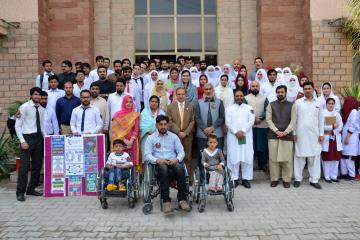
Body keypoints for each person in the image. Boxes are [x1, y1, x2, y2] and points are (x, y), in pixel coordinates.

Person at [144, 115, 191, 214]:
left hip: (173, 162)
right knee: (163, 169)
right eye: (160, 124)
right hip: (159, 165)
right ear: (156, 125)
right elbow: (147, 154)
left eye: (165, 124)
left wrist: (176, 159)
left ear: (168, 125)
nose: (163, 127)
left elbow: (181, 152)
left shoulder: (174, 137)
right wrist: (157, 160)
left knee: (180, 168)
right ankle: (166, 201)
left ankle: (182, 200)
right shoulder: (151, 138)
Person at [15, 87, 45, 201]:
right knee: (23, 167)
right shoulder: (24, 107)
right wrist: (22, 141)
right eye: (35, 94)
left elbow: (41, 126)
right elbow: (17, 126)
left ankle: (31, 189)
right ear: (31, 95)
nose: (37, 97)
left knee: (37, 166)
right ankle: (20, 192)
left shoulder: (42, 109)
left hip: (38, 139)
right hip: (27, 138)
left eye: (39, 95)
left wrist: (46, 138)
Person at [293, 81, 324, 189]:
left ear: (313, 89)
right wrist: (294, 133)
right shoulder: (298, 103)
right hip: (300, 135)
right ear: (303, 90)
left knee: (314, 158)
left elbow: (321, 120)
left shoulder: (318, 103)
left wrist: (321, 134)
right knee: (299, 157)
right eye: (305, 88)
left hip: (314, 135)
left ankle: (314, 180)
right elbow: (294, 119)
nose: (307, 90)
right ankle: (297, 179)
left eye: (309, 88)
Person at [266, 85, 296, 188]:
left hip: (287, 136)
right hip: (273, 135)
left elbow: (293, 121)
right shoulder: (271, 105)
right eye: (278, 92)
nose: (280, 94)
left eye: (282, 92)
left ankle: (286, 179)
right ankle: (274, 179)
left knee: (287, 159)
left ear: (285, 93)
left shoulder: (292, 105)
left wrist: (286, 132)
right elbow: (268, 120)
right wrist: (276, 131)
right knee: (273, 159)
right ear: (276, 93)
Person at [226, 89, 255, 188]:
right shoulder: (229, 109)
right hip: (233, 136)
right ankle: (234, 179)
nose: (239, 98)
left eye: (241, 96)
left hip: (245, 136)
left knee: (246, 156)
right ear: (234, 97)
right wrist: (235, 132)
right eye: (237, 96)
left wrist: (242, 131)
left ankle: (246, 178)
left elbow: (251, 121)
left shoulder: (249, 108)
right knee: (234, 156)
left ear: (243, 97)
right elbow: (228, 122)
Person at [195, 83, 225, 179]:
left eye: (210, 89)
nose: (208, 91)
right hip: (202, 135)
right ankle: (203, 179)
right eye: (206, 89)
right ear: (204, 90)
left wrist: (212, 127)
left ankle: (218, 179)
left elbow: (222, 117)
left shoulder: (219, 102)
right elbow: (197, 117)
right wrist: (204, 128)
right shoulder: (198, 102)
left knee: (217, 157)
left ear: (213, 90)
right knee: (202, 158)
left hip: (217, 134)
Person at [167, 87, 195, 178]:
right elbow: (170, 121)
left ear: (185, 95)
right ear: (176, 95)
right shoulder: (170, 107)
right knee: (175, 158)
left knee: (187, 157)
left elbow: (192, 121)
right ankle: (175, 178)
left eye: (182, 94)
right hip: (175, 136)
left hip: (187, 136)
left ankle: (187, 178)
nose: (181, 96)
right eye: (179, 94)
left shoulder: (191, 106)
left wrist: (185, 132)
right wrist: (178, 132)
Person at [245, 80, 269, 172]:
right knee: (251, 146)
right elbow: (244, 110)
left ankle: (262, 164)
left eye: (257, 86)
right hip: (250, 127)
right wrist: (253, 119)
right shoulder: (246, 98)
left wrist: (261, 117)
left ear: (259, 87)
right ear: (250, 87)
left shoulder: (264, 98)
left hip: (262, 126)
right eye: (253, 86)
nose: (255, 88)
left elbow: (267, 109)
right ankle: (250, 165)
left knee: (262, 146)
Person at [111, 95, 140, 167]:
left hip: (132, 142)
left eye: (130, 102)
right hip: (119, 141)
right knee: (119, 161)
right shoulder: (117, 114)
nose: (129, 103)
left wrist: (131, 141)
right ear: (123, 103)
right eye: (127, 102)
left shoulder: (135, 115)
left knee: (130, 162)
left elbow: (136, 129)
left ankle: (131, 176)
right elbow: (115, 129)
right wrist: (124, 140)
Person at [321, 98, 343, 182]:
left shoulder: (337, 114)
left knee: (335, 158)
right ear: (326, 104)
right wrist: (331, 127)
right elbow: (321, 126)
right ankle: (327, 176)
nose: (330, 105)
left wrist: (334, 130)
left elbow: (341, 126)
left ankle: (334, 176)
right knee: (327, 158)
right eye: (329, 103)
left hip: (335, 139)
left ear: (334, 104)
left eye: (332, 103)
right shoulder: (323, 113)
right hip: (326, 138)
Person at [140, 95, 166, 160]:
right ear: (149, 103)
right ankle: (146, 169)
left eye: (156, 102)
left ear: (158, 103)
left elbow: (164, 126)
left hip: (159, 137)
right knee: (146, 156)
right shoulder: (144, 113)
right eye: (152, 101)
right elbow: (141, 126)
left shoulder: (162, 113)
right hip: (146, 137)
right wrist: (150, 131)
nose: (154, 103)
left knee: (158, 156)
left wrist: (155, 132)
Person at [341, 97, 359, 180]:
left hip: (351, 137)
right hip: (345, 136)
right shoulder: (347, 112)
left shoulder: (354, 112)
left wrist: (348, 137)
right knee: (344, 156)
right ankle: (344, 173)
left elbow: (353, 125)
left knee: (349, 157)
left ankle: (351, 175)